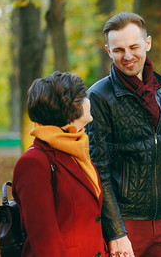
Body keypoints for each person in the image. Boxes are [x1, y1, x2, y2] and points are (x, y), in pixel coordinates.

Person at [86, 12, 161, 257]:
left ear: (148, 44)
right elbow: (99, 170)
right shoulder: (98, 97)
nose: (128, 56)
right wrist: (117, 232)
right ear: (108, 50)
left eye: (134, 47)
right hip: (126, 225)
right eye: (119, 49)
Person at [12, 71, 106, 257]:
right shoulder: (34, 163)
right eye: (84, 97)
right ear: (71, 108)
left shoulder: (76, 148)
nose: (89, 101)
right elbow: (44, 238)